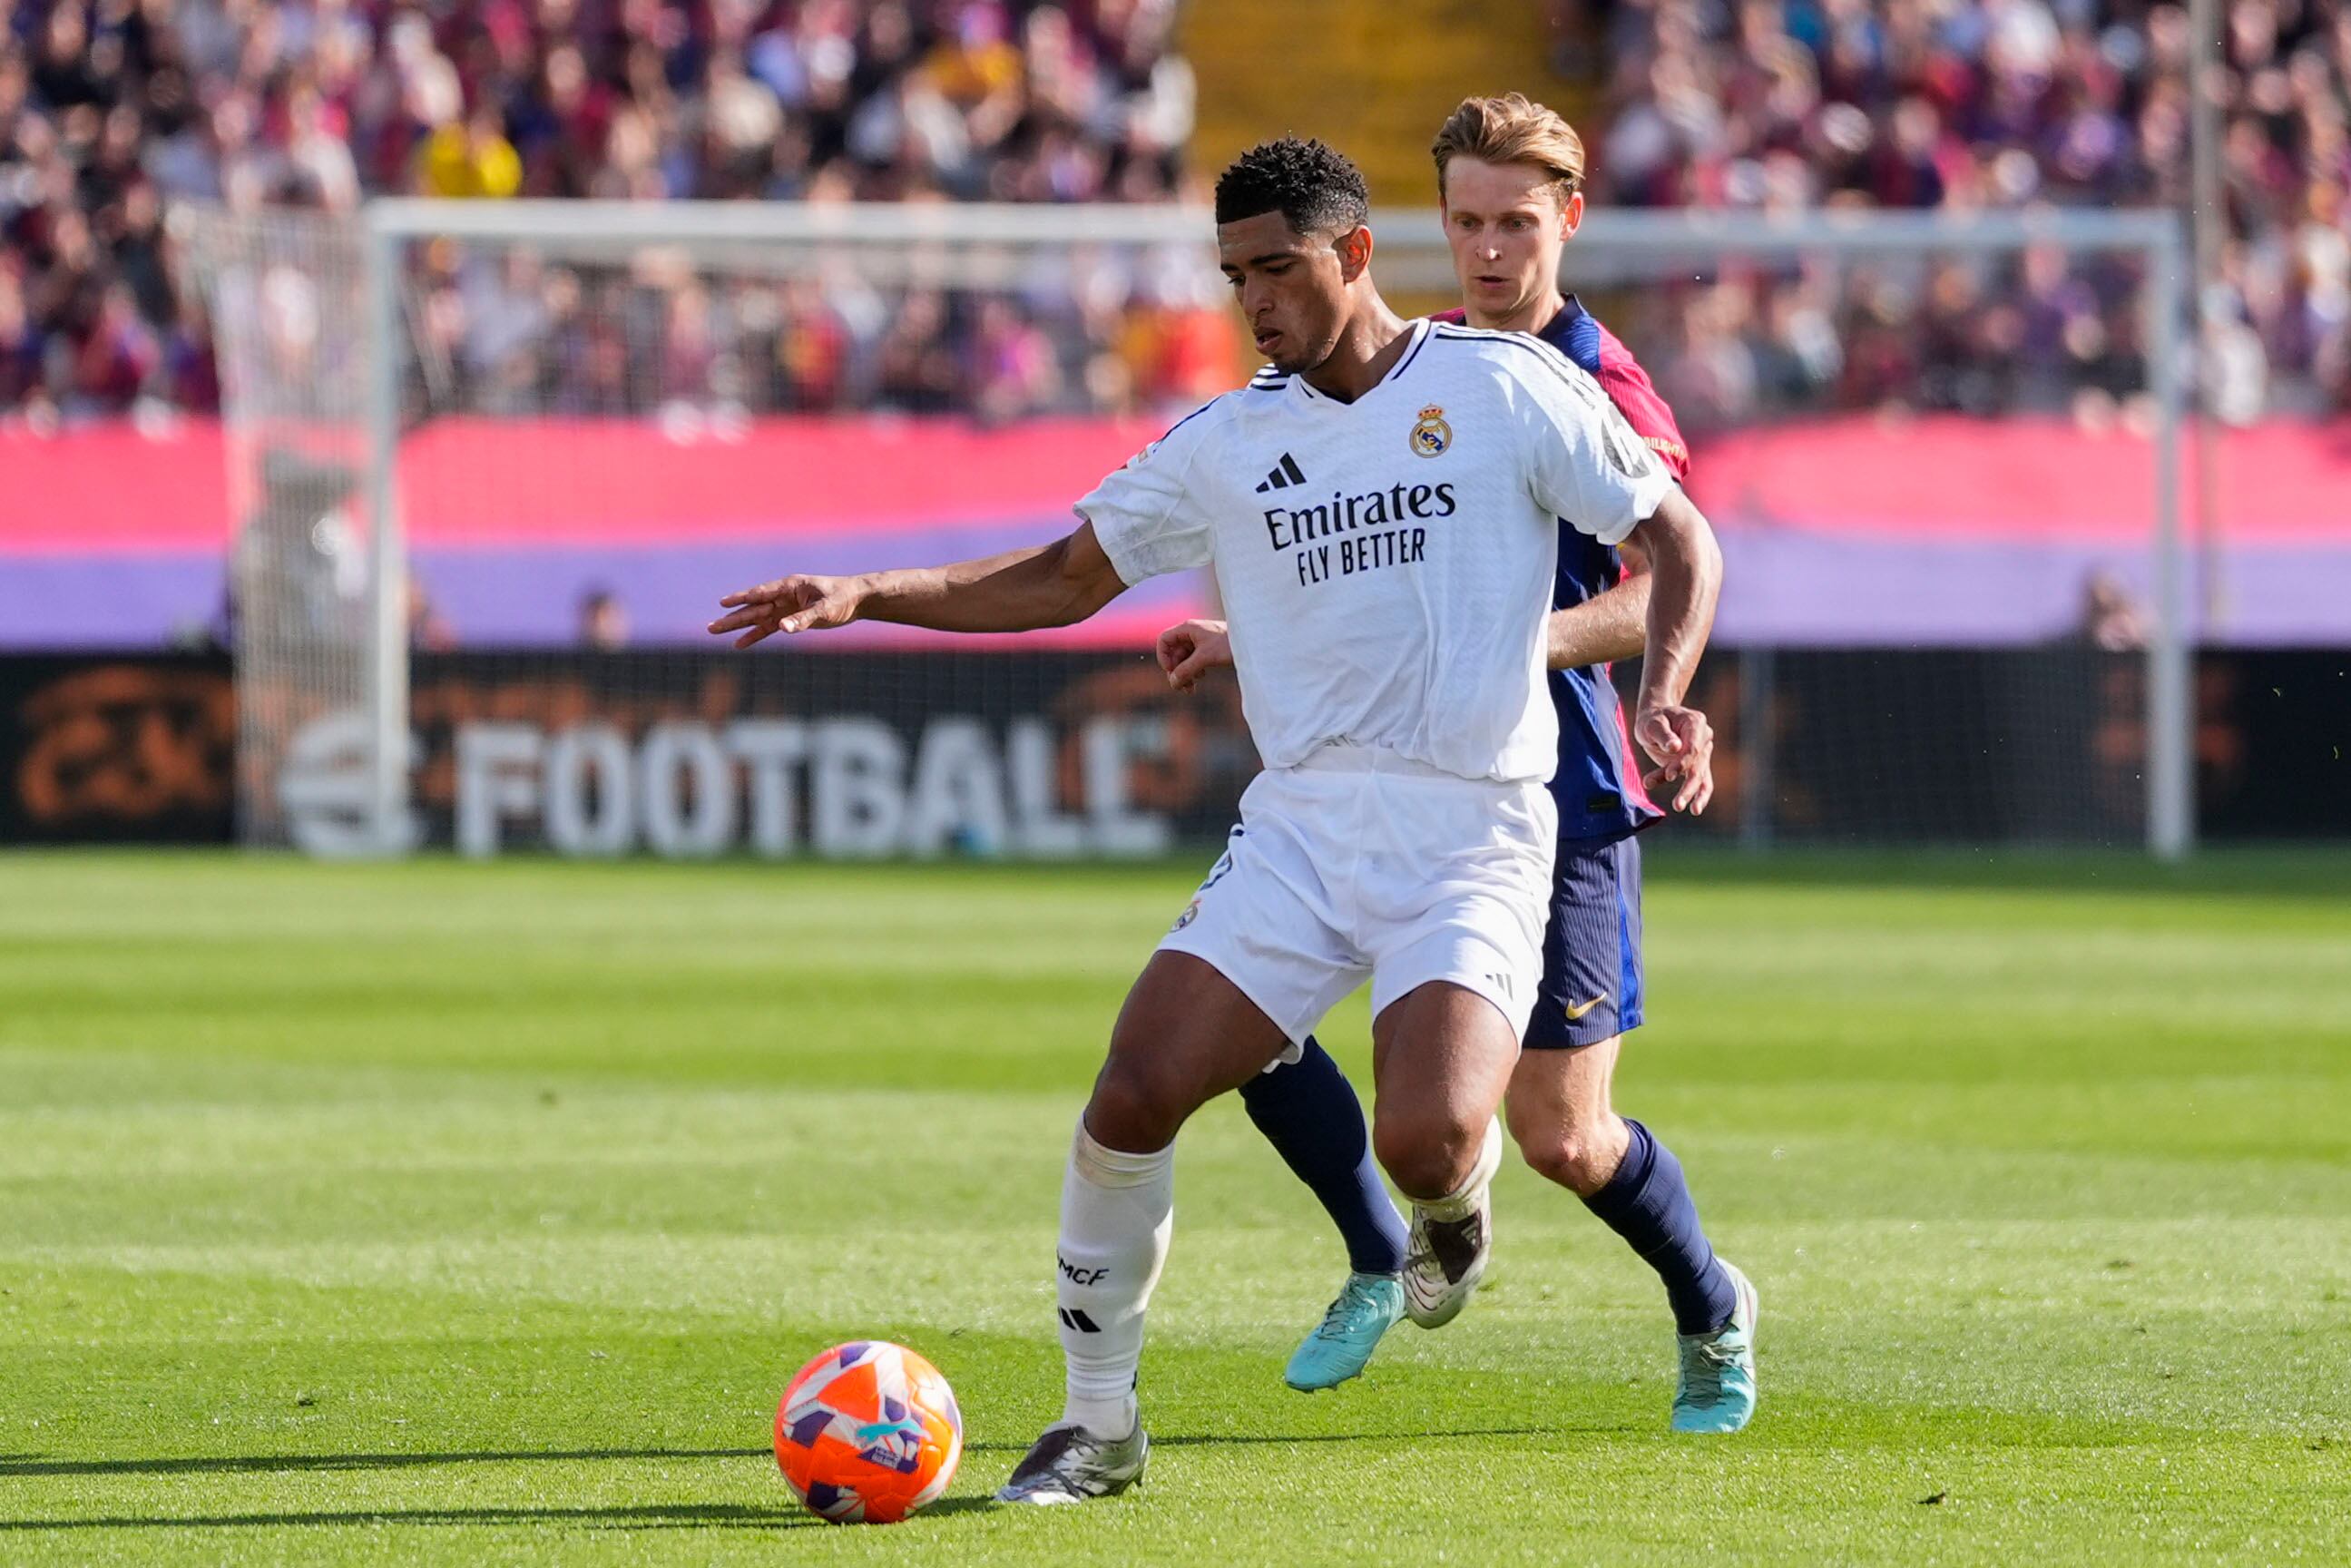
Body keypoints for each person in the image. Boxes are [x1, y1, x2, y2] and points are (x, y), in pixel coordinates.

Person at [708, 135, 1723, 1504]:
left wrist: (1662, 692)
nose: (1255, 301)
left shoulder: (1506, 386)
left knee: (1425, 1138)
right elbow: (1064, 578)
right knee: (1131, 1095)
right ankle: (1098, 1428)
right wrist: (868, 590)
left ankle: (1445, 1207)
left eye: (1279, 268)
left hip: (1472, 827)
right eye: (1236, 273)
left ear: (1355, 255)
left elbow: (1680, 543)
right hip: (1301, 829)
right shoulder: (1230, 438)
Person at [1153, 94, 1758, 1434]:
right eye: (1467, 223)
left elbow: (1662, 571)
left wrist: (1523, 649)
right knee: (1237, 1014)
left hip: (1553, 789)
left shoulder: (1602, 384)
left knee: (1562, 1137)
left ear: (1570, 222)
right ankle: (1383, 1248)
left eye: (1516, 224)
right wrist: (1250, 627)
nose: (1488, 252)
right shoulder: (1402, 368)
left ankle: (1712, 1302)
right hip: (1371, 781)